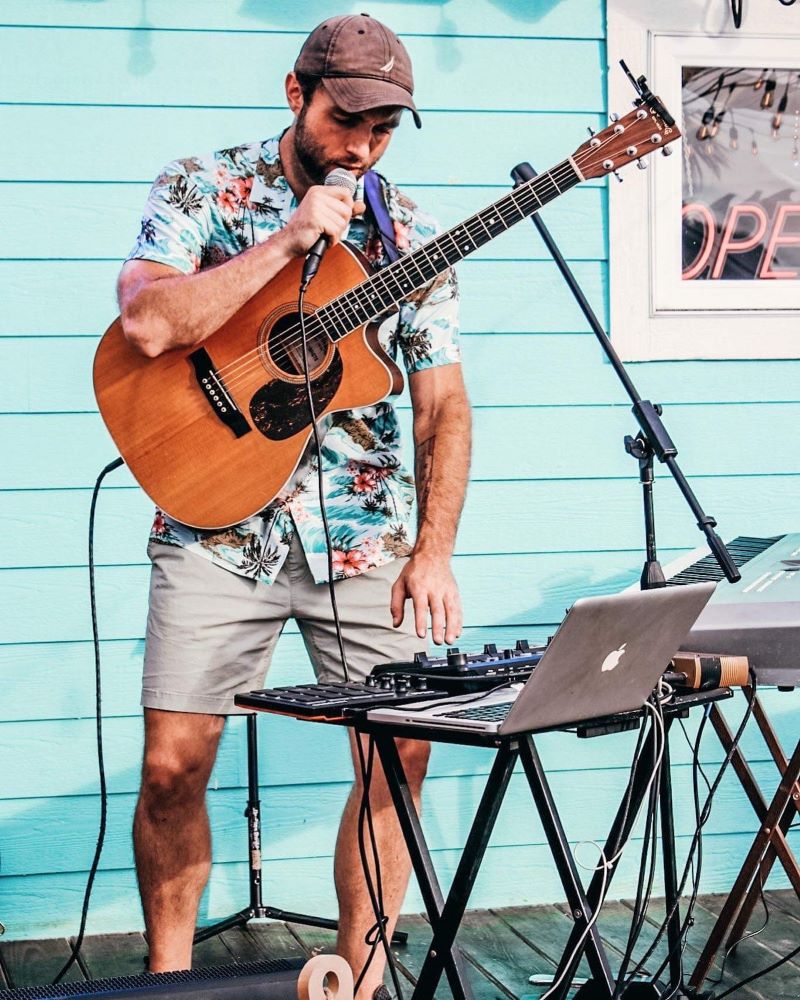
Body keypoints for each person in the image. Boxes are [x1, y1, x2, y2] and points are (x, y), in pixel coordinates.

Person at [117, 13, 470, 999]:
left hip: (358, 534)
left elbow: (441, 399)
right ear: (295, 95)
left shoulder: (413, 236)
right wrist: (285, 242)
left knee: (400, 752)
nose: (361, 146)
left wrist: (432, 550)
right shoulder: (200, 185)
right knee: (171, 768)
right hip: (211, 526)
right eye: (346, 119)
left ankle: (356, 984)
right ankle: (169, 984)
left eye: (383, 129)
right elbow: (146, 319)